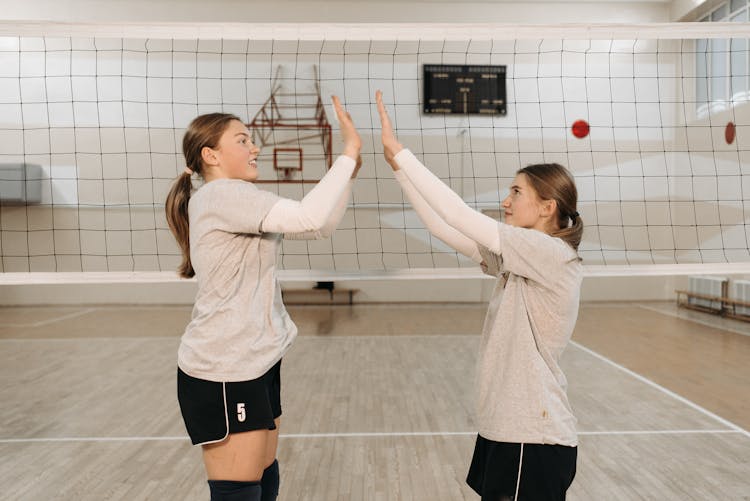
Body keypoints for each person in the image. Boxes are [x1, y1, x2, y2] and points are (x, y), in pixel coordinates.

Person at [376, 90, 583, 501]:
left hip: (534, 436)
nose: (505, 202)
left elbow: (457, 213)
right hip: (506, 428)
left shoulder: (548, 252)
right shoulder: (521, 254)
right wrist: (397, 168)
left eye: (516, 193)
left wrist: (402, 153)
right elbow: (443, 226)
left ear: (547, 207)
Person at [165, 96, 361, 501]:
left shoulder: (236, 197)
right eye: (242, 140)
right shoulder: (223, 196)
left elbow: (318, 226)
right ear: (211, 155)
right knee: (238, 487)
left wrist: (350, 170)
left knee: (263, 471)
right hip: (225, 365)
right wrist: (348, 154)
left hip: (255, 357)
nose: (254, 147)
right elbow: (310, 216)